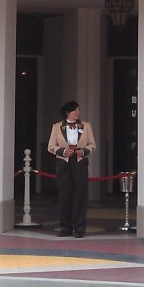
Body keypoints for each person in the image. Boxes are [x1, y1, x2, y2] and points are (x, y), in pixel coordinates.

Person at [46, 99, 96, 238]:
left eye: (78, 110)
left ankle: (79, 228)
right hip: (64, 162)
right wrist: (62, 151)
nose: (78, 112)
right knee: (64, 195)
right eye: (75, 110)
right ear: (68, 112)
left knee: (80, 194)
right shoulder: (57, 127)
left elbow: (92, 144)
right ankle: (65, 227)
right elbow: (51, 146)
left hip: (80, 161)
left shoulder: (86, 126)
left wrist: (84, 151)